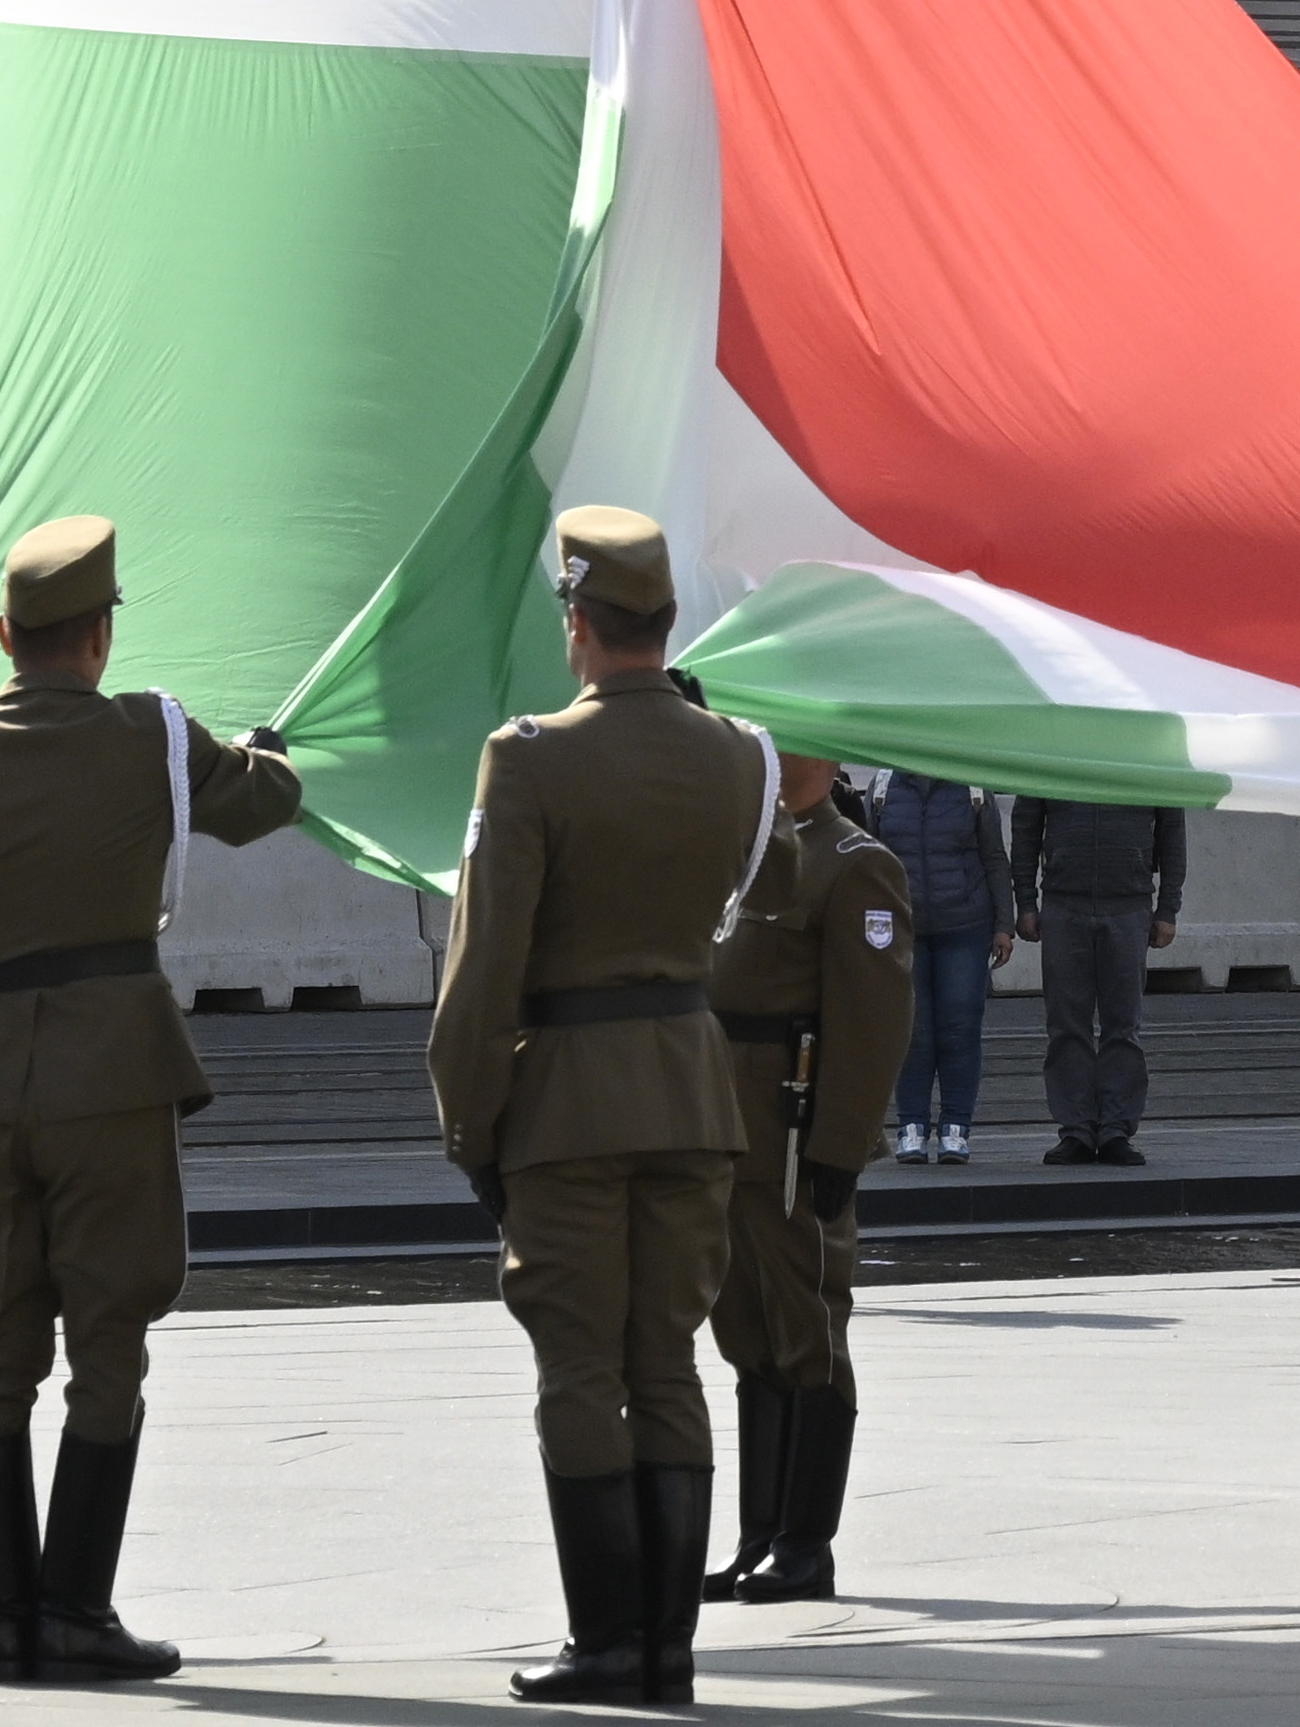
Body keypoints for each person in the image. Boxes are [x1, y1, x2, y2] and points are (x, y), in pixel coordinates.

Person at [0, 513, 307, 1680]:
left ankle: (5, 1622)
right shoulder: (151, 735)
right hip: (115, 1071)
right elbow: (265, 804)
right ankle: (77, 1608)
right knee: (109, 1342)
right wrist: (261, 751)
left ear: (6, 635)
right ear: (100, 637)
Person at [432, 507, 776, 1706]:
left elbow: (486, 963)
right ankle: (669, 1648)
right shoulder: (739, 752)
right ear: (665, 620)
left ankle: (608, 1642)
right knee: (669, 1360)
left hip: (570, 1100)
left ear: (575, 623)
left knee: (581, 1366)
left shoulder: (528, 755)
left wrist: (471, 1121)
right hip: (692, 1086)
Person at [709, 755, 913, 1606]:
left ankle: (804, 1544)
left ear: (826, 761)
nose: (766, 757)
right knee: (745, 1325)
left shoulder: (853, 860)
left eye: (785, 744)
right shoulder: (734, 849)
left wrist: (841, 1141)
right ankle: (760, 1536)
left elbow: (872, 1017)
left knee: (806, 1322)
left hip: (790, 1122)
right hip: (720, 1114)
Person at [1007, 793, 1185, 1166]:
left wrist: (1168, 907)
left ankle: (1116, 1129)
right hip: (1062, 904)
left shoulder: (1148, 752)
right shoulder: (1053, 749)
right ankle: (1076, 1130)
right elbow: (1025, 825)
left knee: (1123, 1025)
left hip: (1129, 905)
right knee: (1066, 1024)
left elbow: (1172, 830)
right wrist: (1025, 901)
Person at [864, 767, 1008, 1164]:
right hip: (902, 928)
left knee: (960, 1029)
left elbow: (994, 857)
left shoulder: (974, 786)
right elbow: (866, 864)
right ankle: (911, 1126)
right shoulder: (882, 785)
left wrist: (1003, 925)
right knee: (913, 1029)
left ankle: (955, 1129)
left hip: (965, 925)